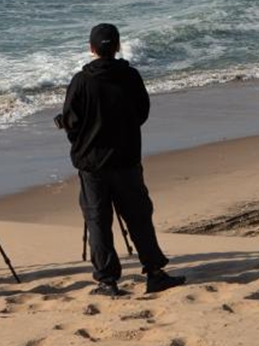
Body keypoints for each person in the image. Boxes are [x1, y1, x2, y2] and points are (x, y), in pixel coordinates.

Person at [57, 23, 185, 297]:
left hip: (92, 164)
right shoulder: (130, 76)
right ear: (116, 47)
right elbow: (142, 113)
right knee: (138, 217)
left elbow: (71, 121)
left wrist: (80, 142)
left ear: (92, 48)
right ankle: (154, 273)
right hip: (126, 159)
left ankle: (107, 281)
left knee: (98, 220)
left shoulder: (81, 81)